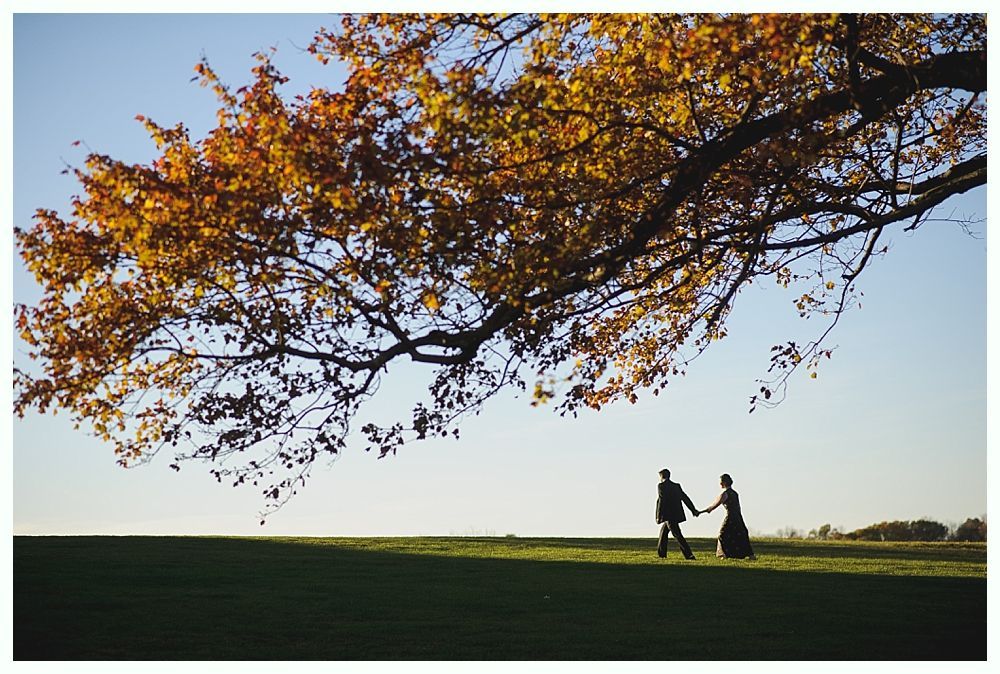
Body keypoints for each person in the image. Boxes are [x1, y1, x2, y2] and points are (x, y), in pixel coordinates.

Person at [700, 473, 756, 559]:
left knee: (723, 534)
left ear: (725, 482)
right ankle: (750, 555)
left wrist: (700, 512)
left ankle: (725, 554)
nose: (720, 484)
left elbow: (713, 506)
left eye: (721, 482)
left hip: (730, 517)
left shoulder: (725, 494)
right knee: (741, 535)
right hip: (738, 517)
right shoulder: (735, 493)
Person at [655, 468, 699, 559]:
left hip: (668, 515)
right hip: (675, 514)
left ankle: (689, 555)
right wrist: (693, 510)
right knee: (663, 532)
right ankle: (661, 554)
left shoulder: (661, 486)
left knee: (678, 535)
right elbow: (685, 498)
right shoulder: (676, 486)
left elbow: (661, 501)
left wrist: (658, 517)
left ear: (661, 476)